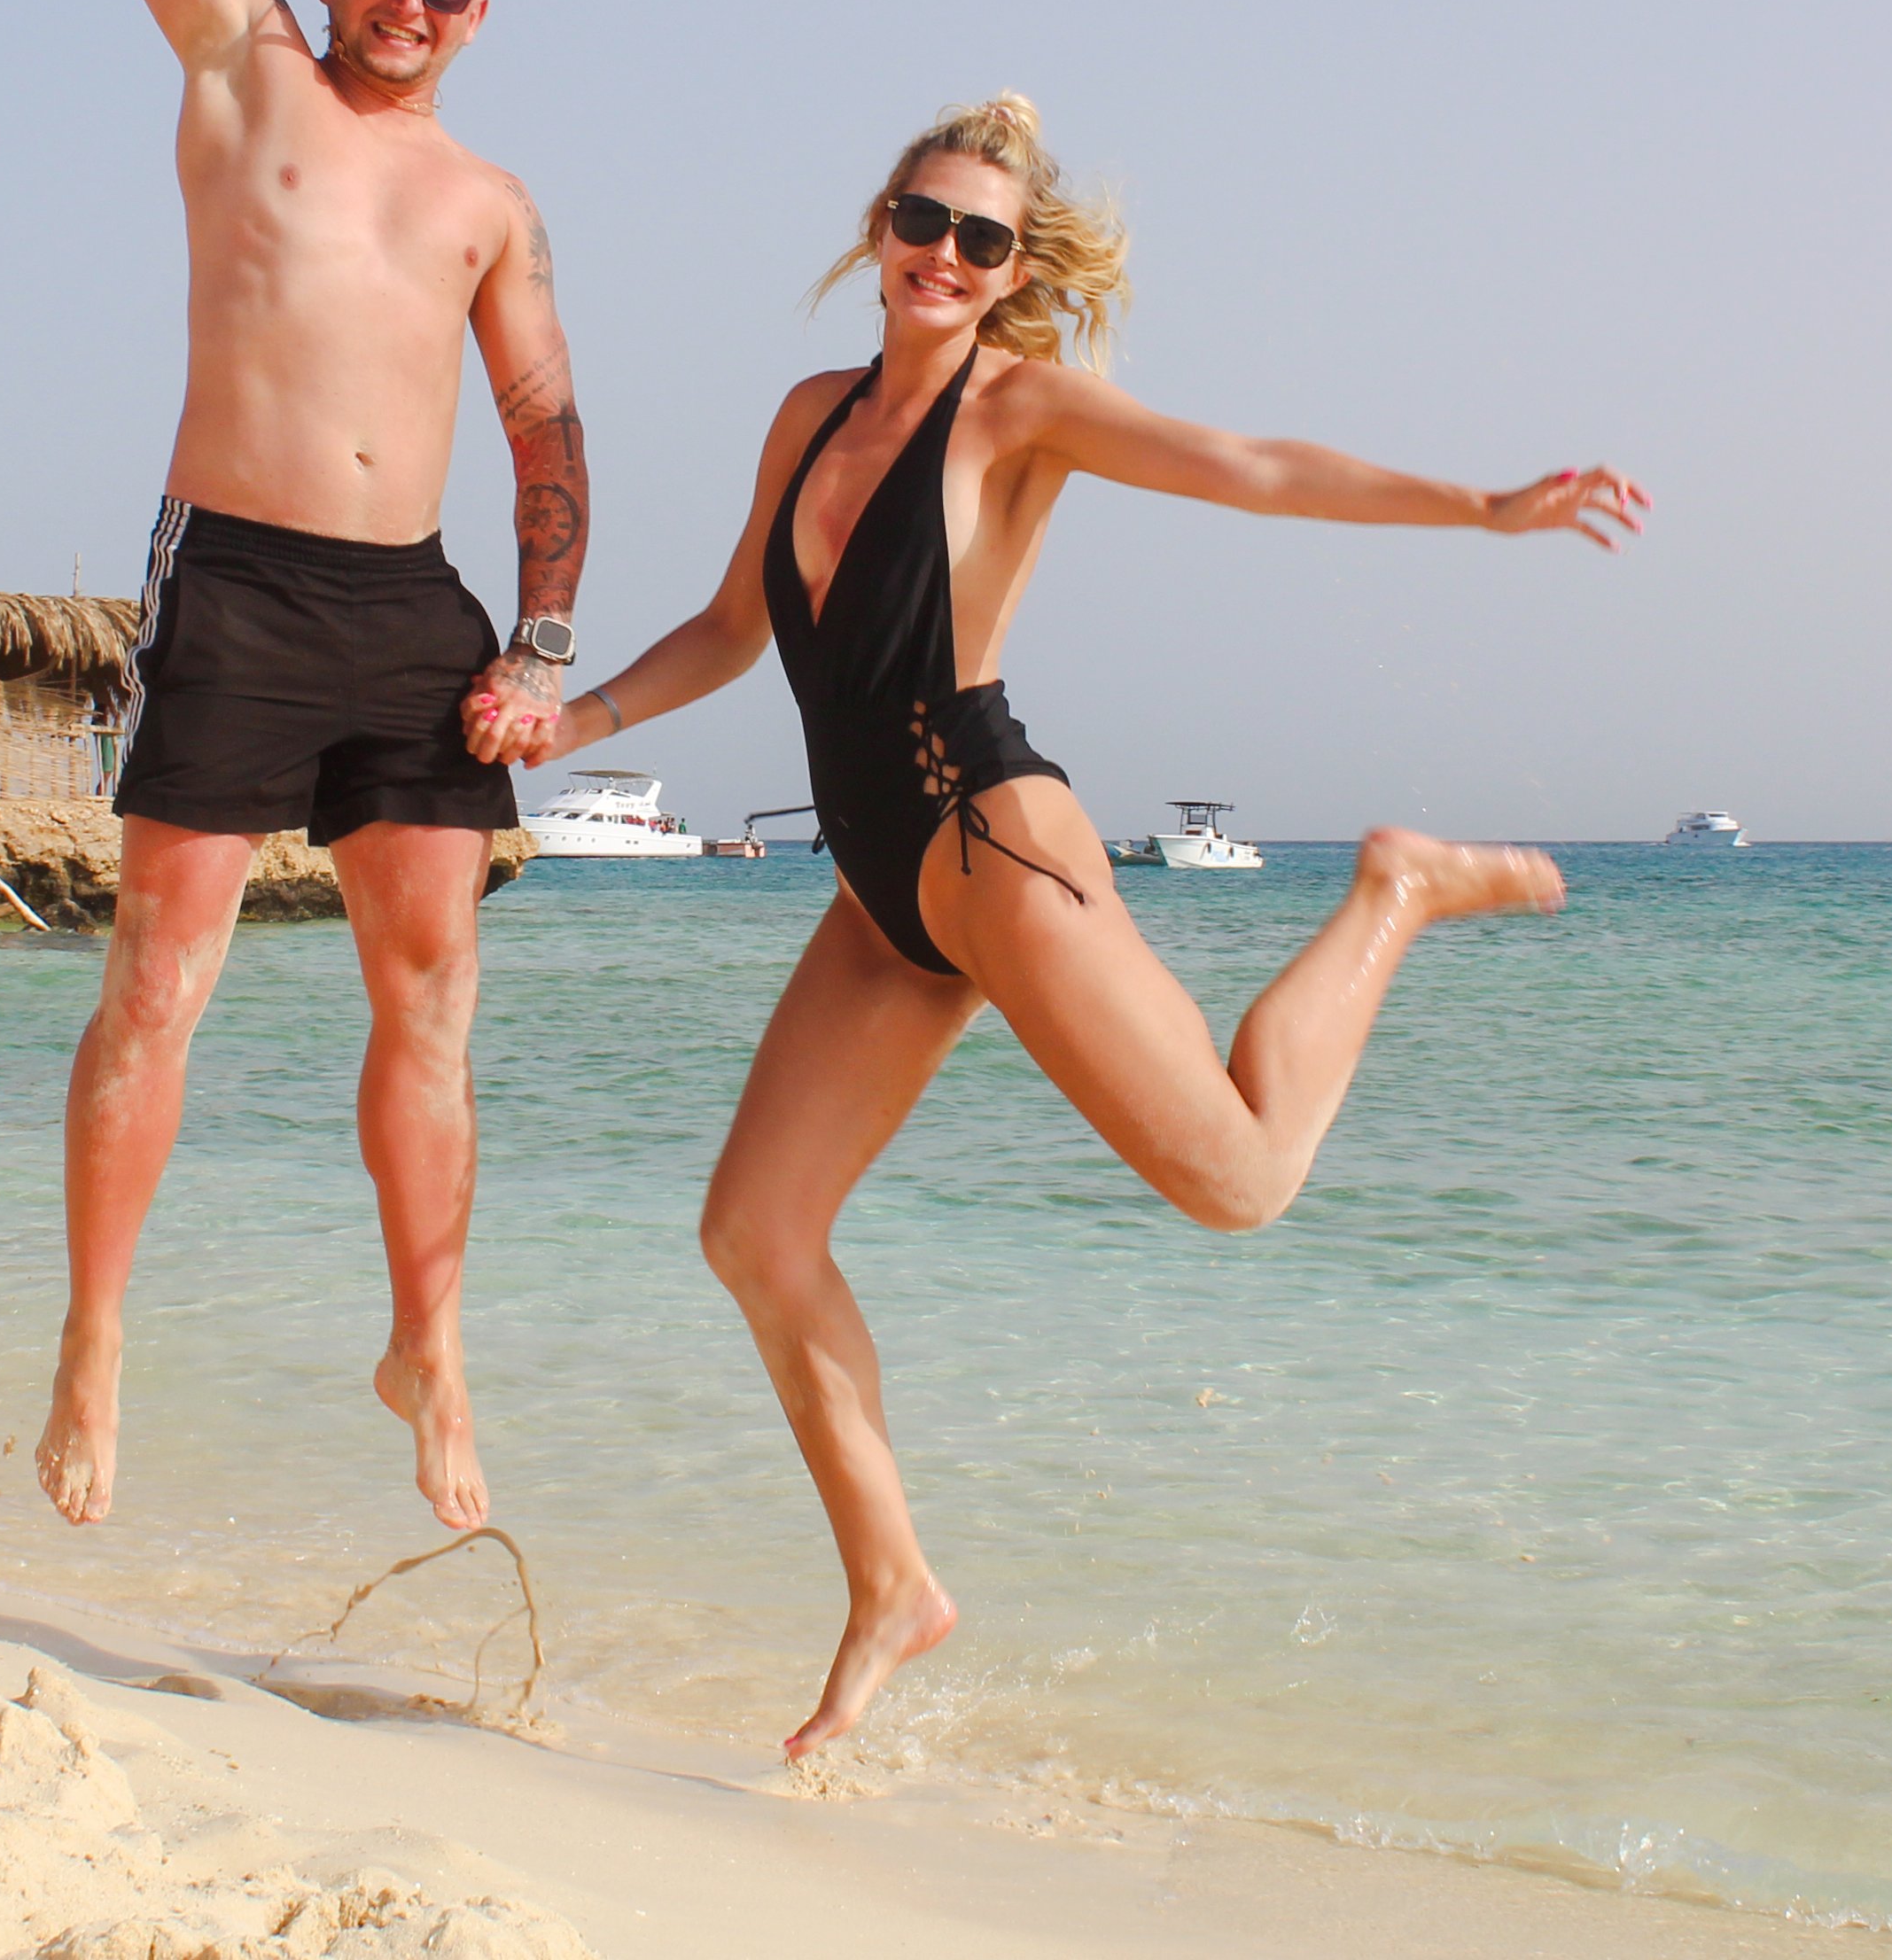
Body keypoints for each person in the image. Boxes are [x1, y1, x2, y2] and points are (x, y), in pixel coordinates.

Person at [496, 95, 1648, 1757]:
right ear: (875, 225)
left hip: (986, 839)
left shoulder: (1016, 409)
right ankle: (892, 1586)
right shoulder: (807, 417)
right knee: (752, 1233)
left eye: (979, 239)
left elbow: (1247, 468)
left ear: (1011, 267)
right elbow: (731, 625)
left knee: (1241, 1181)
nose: (940, 257)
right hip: (873, 889)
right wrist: (573, 725)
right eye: (919, 221)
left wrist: (1475, 507)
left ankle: (1393, 887)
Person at [43, 0, 592, 1534]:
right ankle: (98, 1334)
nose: (412, 4)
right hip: (241, 578)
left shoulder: (487, 199)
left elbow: (542, 426)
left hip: (412, 610)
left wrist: (539, 644)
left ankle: (427, 1342)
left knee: (429, 995)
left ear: (477, 12)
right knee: (159, 979)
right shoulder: (242, 70)